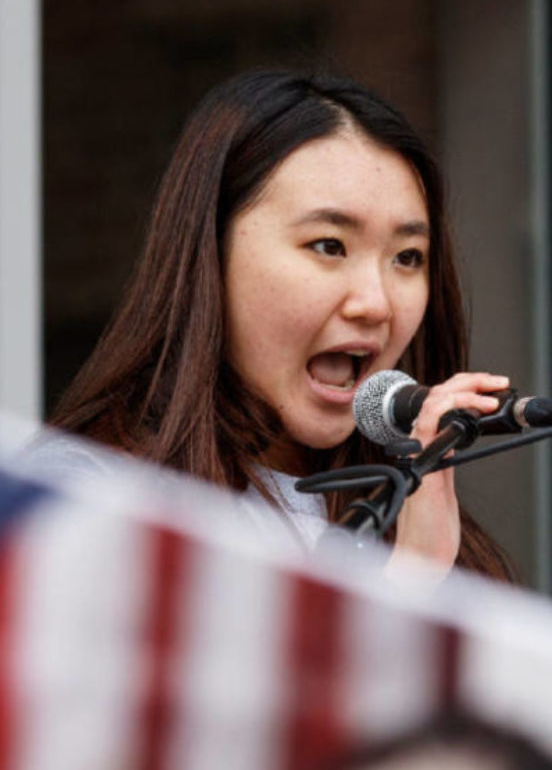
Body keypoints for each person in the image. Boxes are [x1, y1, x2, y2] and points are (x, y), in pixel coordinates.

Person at [51, 68, 514, 580]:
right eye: (329, 246)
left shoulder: (427, 525)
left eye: (407, 257)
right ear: (211, 253)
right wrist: (410, 585)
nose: (376, 304)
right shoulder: (89, 499)